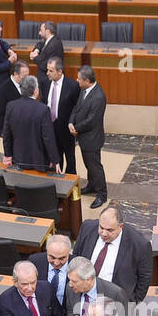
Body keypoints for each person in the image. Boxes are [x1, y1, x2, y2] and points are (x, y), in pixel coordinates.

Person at [71, 205, 152, 302]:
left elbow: (144, 277)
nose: (104, 233)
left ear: (120, 227)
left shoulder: (139, 244)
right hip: (82, 294)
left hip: (115, 301)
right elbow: (76, 256)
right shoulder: (87, 228)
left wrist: (133, 302)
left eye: (110, 230)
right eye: (101, 227)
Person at [69, 64, 108, 209]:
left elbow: (92, 120)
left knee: (95, 167)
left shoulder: (98, 96)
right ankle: (92, 186)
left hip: (92, 139)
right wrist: (71, 122)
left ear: (87, 80)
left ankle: (102, 194)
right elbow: (76, 107)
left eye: (79, 79)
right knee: (88, 165)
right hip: (84, 137)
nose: (76, 80)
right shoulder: (84, 90)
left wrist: (76, 128)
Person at [2, 75, 59, 171]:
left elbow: (6, 134)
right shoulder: (43, 110)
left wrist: (8, 155)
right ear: (35, 91)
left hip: (18, 159)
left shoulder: (11, 106)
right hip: (39, 161)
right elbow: (48, 138)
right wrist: (55, 160)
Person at [43, 58, 80, 175]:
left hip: (66, 129)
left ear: (60, 71)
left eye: (51, 70)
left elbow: (77, 107)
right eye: (47, 70)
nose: (47, 73)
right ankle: (56, 182)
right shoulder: (45, 83)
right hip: (50, 128)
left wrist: (73, 124)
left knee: (70, 159)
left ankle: (71, 185)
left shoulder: (73, 86)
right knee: (55, 158)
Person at [30, 233, 72, 307]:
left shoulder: (77, 265)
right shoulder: (34, 261)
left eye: (62, 258)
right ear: (47, 251)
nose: (56, 263)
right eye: (52, 257)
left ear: (69, 253)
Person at [29, 22, 65, 92]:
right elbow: (40, 43)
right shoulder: (51, 40)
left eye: (41, 30)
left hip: (48, 80)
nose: (39, 33)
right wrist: (36, 51)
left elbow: (44, 64)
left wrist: (34, 57)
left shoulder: (54, 45)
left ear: (47, 31)